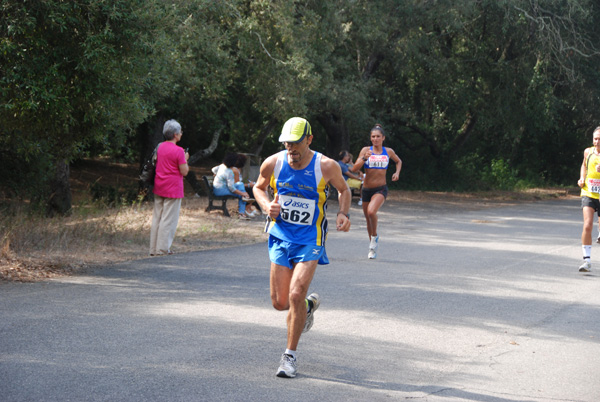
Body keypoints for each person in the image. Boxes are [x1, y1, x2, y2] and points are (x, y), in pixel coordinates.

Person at [253, 117, 351, 378]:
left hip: (311, 238)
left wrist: (343, 213)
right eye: (287, 143)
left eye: (296, 143)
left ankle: (289, 357)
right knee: (280, 302)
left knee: (295, 293)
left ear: (309, 140)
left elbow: (344, 190)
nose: (291, 148)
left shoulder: (326, 166)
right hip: (280, 236)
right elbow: (258, 187)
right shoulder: (273, 163)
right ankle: (306, 308)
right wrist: (266, 206)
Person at [350, 124, 402, 259]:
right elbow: (354, 169)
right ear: (370, 138)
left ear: (383, 138)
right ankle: (372, 245)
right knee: (368, 219)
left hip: (381, 188)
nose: (375, 139)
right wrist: (364, 158)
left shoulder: (388, 151)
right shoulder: (365, 150)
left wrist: (397, 173)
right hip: (366, 189)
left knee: (371, 212)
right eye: (373, 136)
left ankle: (374, 237)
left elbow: (398, 161)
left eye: (378, 136)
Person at [149, 119, 190, 256]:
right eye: (180, 132)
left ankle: (153, 248)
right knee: (168, 219)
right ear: (176, 134)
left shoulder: (160, 146)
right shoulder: (179, 151)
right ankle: (162, 248)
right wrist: (186, 159)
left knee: (157, 217)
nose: (181, 134)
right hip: (173, 187)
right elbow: (184, 171)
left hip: (159, 184)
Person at [577, 126, 600, 272]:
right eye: (595, 139)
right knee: (587, 225)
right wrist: (581, 178)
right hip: (589, 192)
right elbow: (583, 165)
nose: (597, 142)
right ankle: (586, 261)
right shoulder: (588, 152)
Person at [212, 152, 253, 220]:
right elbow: (232, 188)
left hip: (217, 188)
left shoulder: (222, 165)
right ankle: (241, 213)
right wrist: (243, 193)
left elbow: (213, 169)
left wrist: (217, 174)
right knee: (242, 195)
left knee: (240, 184)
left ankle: (242, 210)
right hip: (221, 190)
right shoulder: (230, 172)